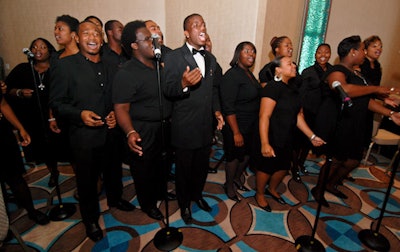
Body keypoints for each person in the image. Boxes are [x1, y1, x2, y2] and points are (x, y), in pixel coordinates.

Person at [49, 20, 135, 242]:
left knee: (114, 170)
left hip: (111, 132)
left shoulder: (109, 65)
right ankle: (90, 219)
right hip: (83, 136)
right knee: (87, 181)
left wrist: (115, 113)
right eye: (86, 33)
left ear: (102, 38)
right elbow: (58, 102)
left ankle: (115, 199)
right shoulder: (64, 65)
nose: (93, 37)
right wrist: (80, 115)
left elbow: (116, 96)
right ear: (77, 38)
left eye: (97, 33)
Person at [311, 35, 400, 207]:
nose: (364, 53)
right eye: (362, 49)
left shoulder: (356, 74)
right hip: (340, 124)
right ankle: (319, 188)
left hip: (355, 124)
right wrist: (376, 88)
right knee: (335, 160)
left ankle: (331, 184)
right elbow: (345, 89)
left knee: (353, 161)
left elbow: (366, 101)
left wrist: (389, 113)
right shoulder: (337, 71)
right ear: (352, 52)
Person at [163, 13, 224, 224]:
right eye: (196, 25)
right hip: (184, 127)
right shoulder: (173, 57)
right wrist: (183, 83)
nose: (202, 27)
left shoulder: (211, 58)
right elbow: (168, 90)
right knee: (184, 171)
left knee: (200, 168)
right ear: (186, 33)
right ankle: (183, 205)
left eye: (204, 24)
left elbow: (214, 90)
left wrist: (217, 112)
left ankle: (197, 196)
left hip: (205, 126)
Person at [113, 20, 172, 220]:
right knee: (145, 169)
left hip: (164, 126)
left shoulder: (158, 65)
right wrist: (130, 131)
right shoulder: (126, 73)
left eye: (152, 37)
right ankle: (148, 204)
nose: (153, 41)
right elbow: (120, 108)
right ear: (134, 45)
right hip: (143, 129)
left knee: (162, 164)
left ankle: (160, 192)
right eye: (147, 38)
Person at [256, 56, 325, 212]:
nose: (294, 65)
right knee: (266, 167)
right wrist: (265, 143)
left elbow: (298, 116)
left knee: (283, 167)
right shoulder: (272, 87)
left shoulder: (293, 90)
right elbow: (264, 116)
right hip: (272, 134)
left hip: (287, 135)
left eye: (294, 63)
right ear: (278, 70)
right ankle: (260, 194)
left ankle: (272, 189)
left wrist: (312, 136)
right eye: (289, 63)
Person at [5, 38, 60, 187]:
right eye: (34, 47)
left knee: (64, 147)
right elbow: (6, 89)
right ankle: (53, 172)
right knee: (44, 149)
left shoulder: (58, 68)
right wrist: (20, 92)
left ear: (49, 50)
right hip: (34, 117)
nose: (38, 50)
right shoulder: (23, 69)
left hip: (56, 116)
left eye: (42, 47)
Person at [0, 82, 50, 225]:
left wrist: (20, 128)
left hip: (3, 135)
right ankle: (3, 225)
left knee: (15, 176)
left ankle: (31, 211)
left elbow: (2, 104)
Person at [220, 41, 260, 202]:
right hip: (236, 125)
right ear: (238, 54)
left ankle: (237, 178)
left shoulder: (249, 74)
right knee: (234, 157)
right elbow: (228, 107)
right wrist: (236, 132)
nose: (251, 54)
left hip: (250, 124)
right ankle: (228, 185)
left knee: (247, 155)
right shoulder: (232, 75)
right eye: (247, 51)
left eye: (253, 51)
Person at [297, 43, 333, 176]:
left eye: (326, 52)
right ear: (315, 54)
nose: (323, 55)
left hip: (324, 113)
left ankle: (301, 162)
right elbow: (301, 94)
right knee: (302, 141)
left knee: (314, 141)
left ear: (330, 54)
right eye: (319, 52)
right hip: (308, 112)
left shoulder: (334, 71)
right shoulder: (308, 72)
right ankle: (296, 165)